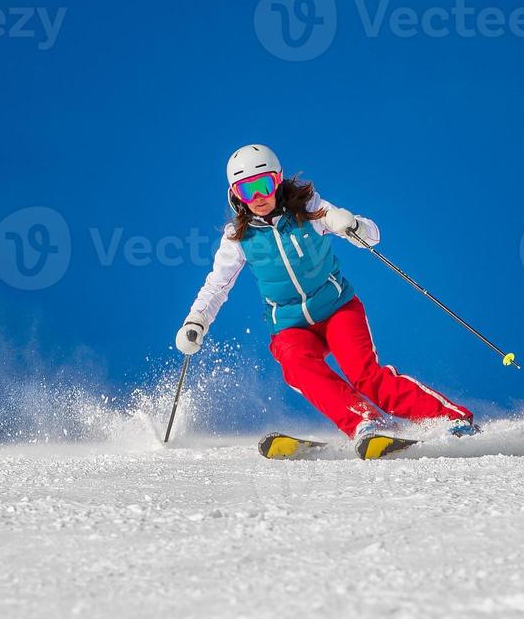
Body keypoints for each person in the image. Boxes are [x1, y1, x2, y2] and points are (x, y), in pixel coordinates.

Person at [176, 144, 477, 441]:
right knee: (297, 366)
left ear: (278, 180)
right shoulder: (238, 237)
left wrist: (353, 224)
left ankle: (451, 419)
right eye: (246, 190)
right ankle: (366, 422)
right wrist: (196, 321)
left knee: (364, 375)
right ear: (234, 195)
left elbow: (372, 236)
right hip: (290, 325)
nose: (257, 197)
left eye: (264, 185)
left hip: (337, 310)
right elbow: (217, 286)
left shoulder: (308, 209)